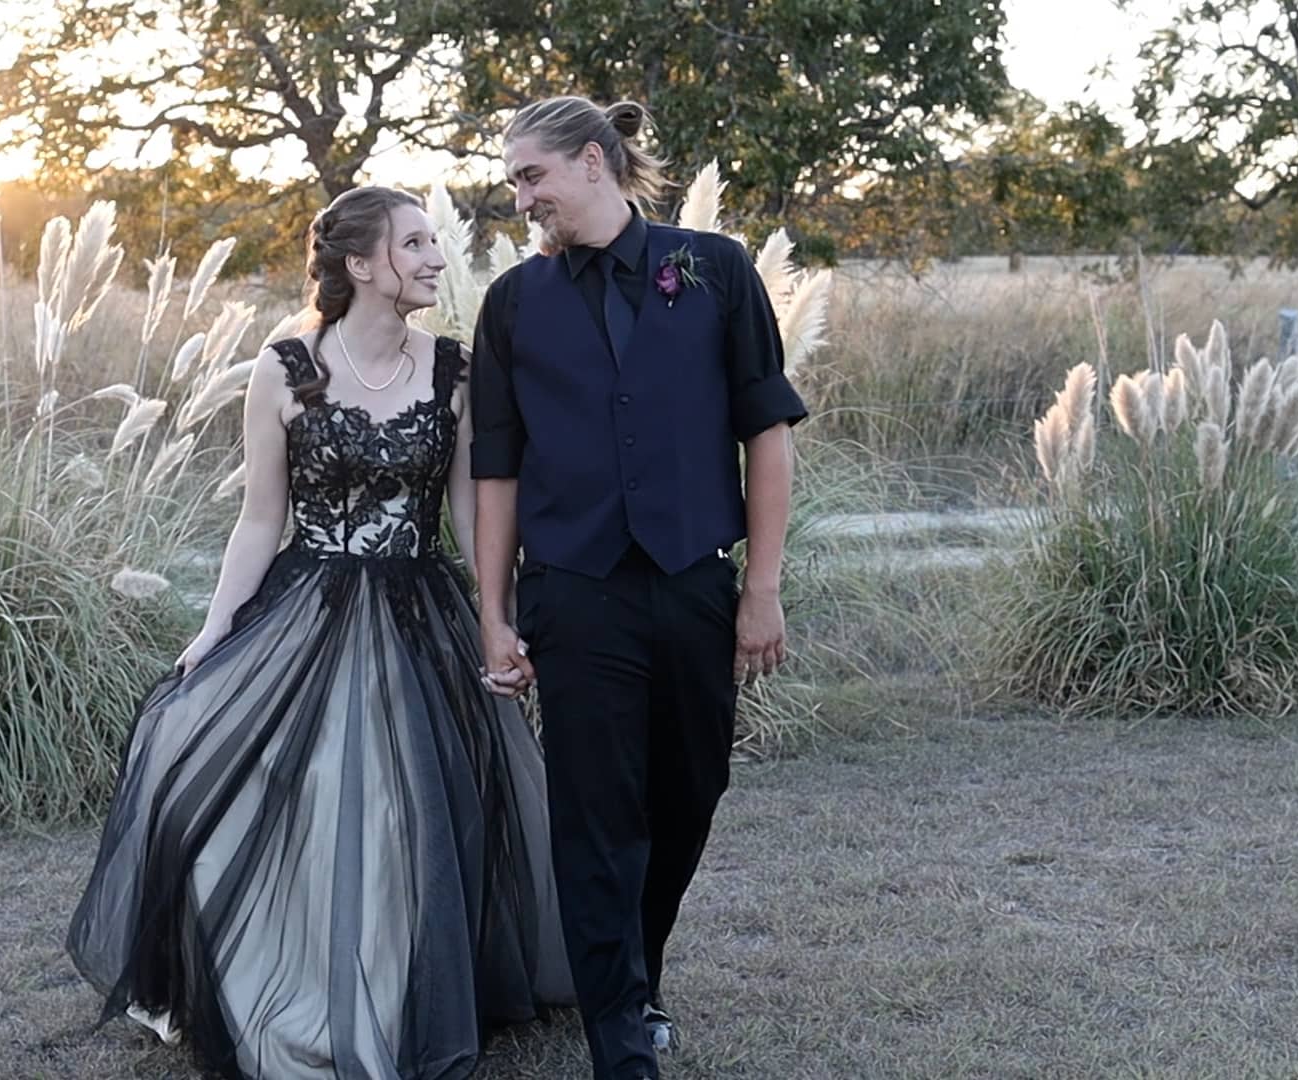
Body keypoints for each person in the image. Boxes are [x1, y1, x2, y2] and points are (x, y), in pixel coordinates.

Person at [68, 185, 573, 1079]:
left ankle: (395, 991)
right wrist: (216, 628)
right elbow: (260, 519)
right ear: (360, 264)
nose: (435, 258)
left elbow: (470, 515)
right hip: (310, 606)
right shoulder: (284, 369)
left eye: (433, 243)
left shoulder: (454, 370)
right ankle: (281, 982)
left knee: (409, 805)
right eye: (415, 244)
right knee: (256, 777)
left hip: (422, 612)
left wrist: (499, 619)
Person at [470, 97, 807, 1080]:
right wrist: (494, 614)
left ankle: (637, 975)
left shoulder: (716, 270)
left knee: (690, 792)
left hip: (694, 581)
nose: (521, 198)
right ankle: (620, 1037)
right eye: (513, 182)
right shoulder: (515, 303)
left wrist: (762, 588)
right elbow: (497, 472)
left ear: (591, 161)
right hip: (573, 592)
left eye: (531, 176)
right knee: (594, 813)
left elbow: (767, 435)